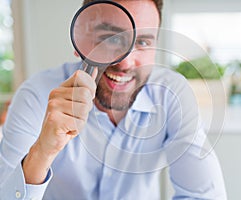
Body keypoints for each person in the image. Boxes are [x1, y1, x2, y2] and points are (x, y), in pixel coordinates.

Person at [0, 0, 227, 199]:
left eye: (144, 43)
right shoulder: (36, 94)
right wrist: (43, 151)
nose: (126, 62)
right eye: (110, 38)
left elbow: (204, 196)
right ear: (81, 41)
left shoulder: (172, 94)